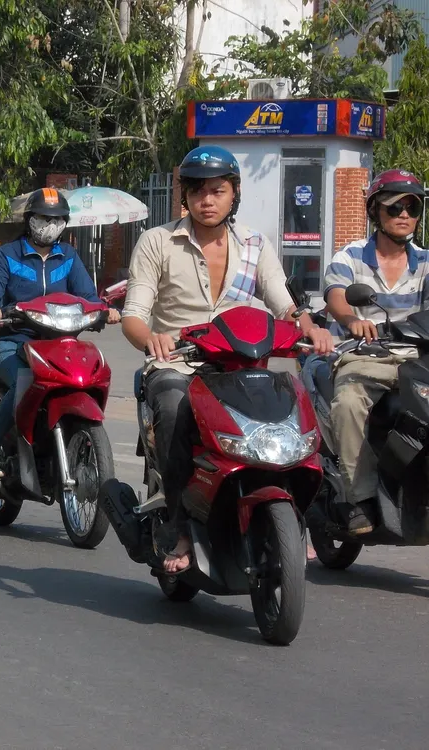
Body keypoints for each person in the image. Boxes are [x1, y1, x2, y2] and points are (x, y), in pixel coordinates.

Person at [121, 145, 333, 574]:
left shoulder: (255, 245)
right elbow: (133, 317)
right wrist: (153, 340)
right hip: (179, 363)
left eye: (217, 190)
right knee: (171, 406)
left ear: (234, 193)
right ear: (185, 196)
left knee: (297, 408)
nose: (207, 200)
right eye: (198, 191)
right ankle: (180, 526)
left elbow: (284, 304)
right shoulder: (157, 242)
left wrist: (309, 327)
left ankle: (302, 516)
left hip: (240, 366)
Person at [0, 187, 121, 480]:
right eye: (43, 218)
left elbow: (87, 296)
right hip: (14, 341)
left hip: (59, 345)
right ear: (29, 219)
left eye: (56, 219)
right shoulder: (7, 255)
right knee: (23, 382)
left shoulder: (67, 256)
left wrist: (104, 310)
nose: (49, 225)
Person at [323, 169, 429, 535]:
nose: (404, 214)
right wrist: (351, 319)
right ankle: (359, 498)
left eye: (412, 207)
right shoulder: (350, 256)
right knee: (349, 404)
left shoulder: (427, 262)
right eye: (395, 206)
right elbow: (336, 295)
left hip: (416, 359)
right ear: (374, 212)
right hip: (364, 355)